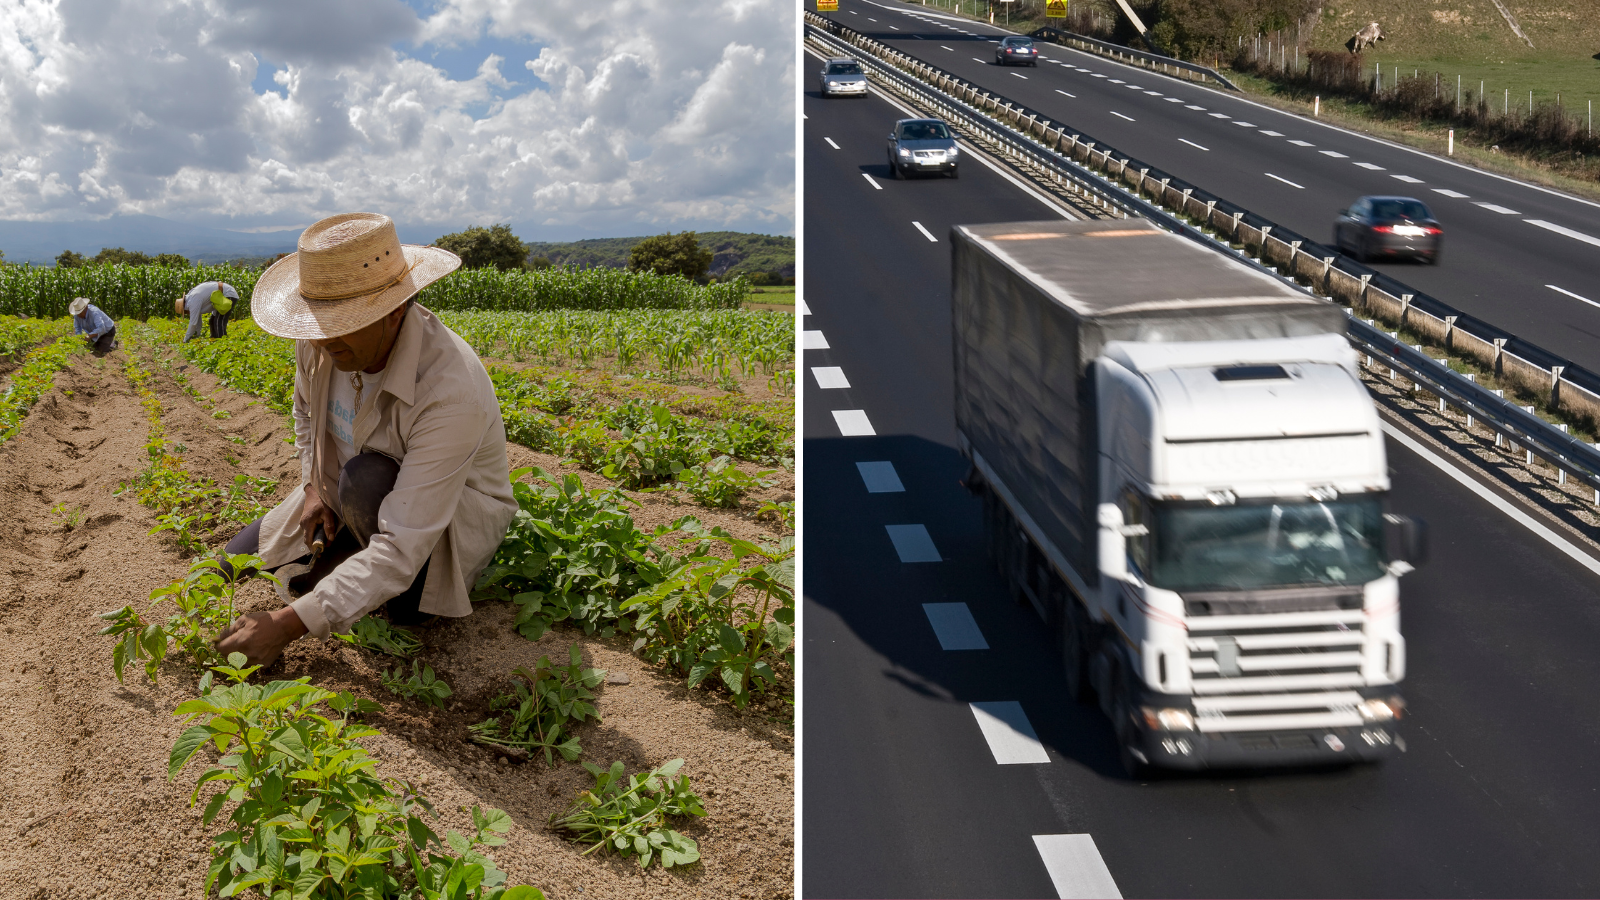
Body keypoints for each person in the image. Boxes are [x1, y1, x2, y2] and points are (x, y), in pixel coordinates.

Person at [214, 211, 518, 668]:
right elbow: (303, 412)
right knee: (228, 565)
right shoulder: (319, 343)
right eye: (317, 322)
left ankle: (398, 603)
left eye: (340, 322)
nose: (319, 339)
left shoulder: (450, 391)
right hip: (343, 494)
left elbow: (401, 547)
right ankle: (342, 553)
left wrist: (286, 625)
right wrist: (314, 485)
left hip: (433, 527)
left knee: (364, 479)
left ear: (394, 311)